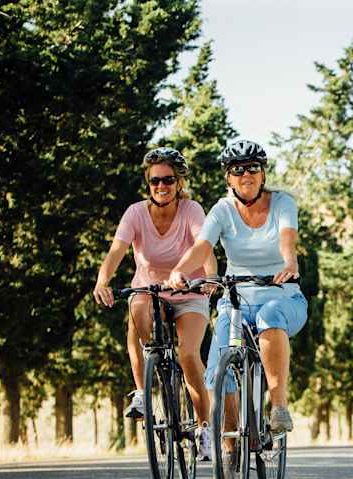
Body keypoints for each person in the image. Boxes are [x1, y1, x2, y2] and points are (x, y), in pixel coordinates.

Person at [167, 139, 307, 445]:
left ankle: (279, 407)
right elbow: (202, 246)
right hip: (236, 299)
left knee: (270, 316)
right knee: (218, 370)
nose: (246, 174)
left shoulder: (283, 203)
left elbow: (287, 239)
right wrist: (179, 270)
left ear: (263, 173)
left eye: (253, 168)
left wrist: (290, 262)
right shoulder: (222, 210)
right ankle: (230, 445)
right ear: (228, 177)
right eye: (237, 169)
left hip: (281, 295)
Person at [93, 147, 217, 461]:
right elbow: (116, 251)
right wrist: (102, 281)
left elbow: (204, 247)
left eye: (168, 180)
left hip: (189, 291)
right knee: (136, 311)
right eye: (155, 181)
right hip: (150, 290)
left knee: (188, 355)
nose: (161, 186)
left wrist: (211, 277)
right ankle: (143, 389)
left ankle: (204, 429)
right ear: (148, 183)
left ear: (179, 182)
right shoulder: (135, 213)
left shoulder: (191, 210)